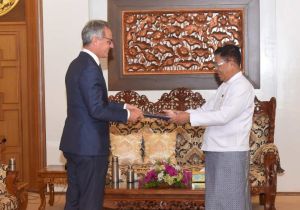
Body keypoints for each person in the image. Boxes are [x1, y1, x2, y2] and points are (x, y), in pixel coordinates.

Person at [60, 20, 143, 210]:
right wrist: (126, 115)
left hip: (76, 144)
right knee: (90, 201)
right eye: (109, 41)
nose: (111, 45)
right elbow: (96, 110)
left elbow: (93, 101)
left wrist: (123, 105)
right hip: (89, 148)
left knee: (75, 198)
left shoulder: (77, 64)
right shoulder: (89, 67)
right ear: (96, 40)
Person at [164, 44, 254, 210]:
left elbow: (224, 116)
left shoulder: (242, 87)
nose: (215, 69)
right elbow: (206, 110)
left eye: (218, 65)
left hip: (230, 151)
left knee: (232, 201)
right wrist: (181, 114)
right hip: (216, 149)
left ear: (232, 63)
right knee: (216, 200)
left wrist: (188, 117)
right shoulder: (225, 86)